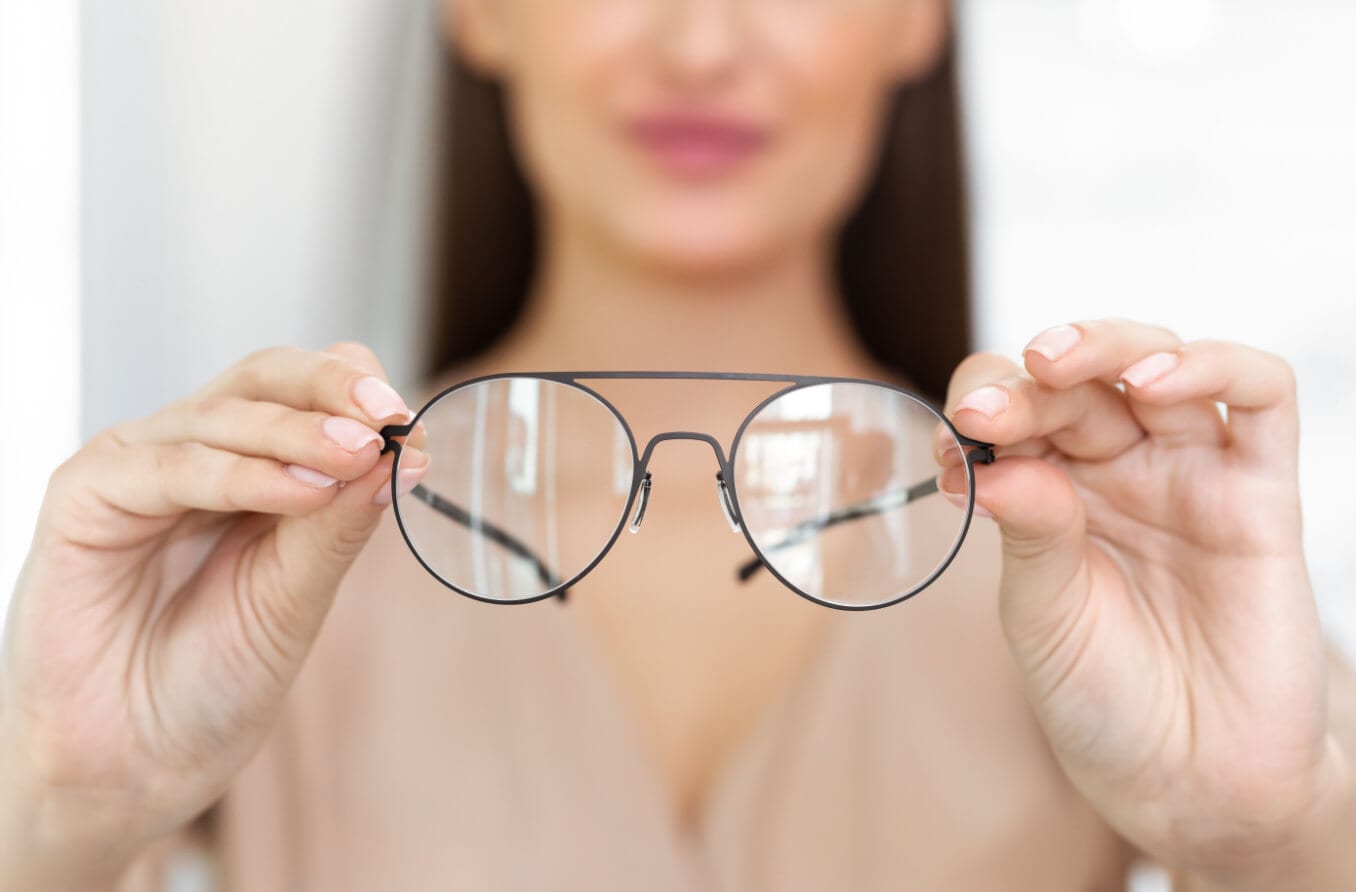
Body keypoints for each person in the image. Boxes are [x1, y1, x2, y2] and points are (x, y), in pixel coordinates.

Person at [4, 1, 1354, 889]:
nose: (702, 42)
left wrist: (1277, 844)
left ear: (918, 18)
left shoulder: (1117, 578)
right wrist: (55, 809)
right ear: (477, 11)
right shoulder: (256, 570)